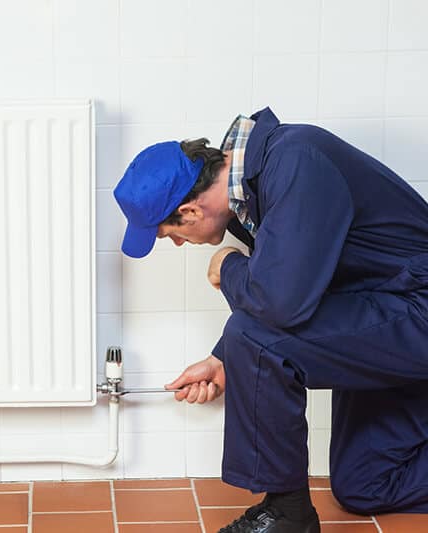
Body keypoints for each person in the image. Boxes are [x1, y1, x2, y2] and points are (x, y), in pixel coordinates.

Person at [113, 107, 428, 533]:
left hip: (416, 311)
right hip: (384, 315)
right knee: (366, 485)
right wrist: (226, 358)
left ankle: (288, 514)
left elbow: (280, 304)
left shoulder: (297, 164)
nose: (178, 244)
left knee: (252, 336)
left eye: (170, 236)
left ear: (188, 212)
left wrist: (227, 267)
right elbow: (288, 285)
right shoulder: (252, 189)